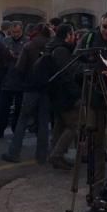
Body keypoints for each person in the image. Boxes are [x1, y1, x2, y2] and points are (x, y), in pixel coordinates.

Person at [3, 24, 52, 164]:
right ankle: (42, 155)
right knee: (43, 123)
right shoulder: (50, 45)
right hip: (46, 88)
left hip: (30, 88)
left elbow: (19, 68)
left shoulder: (29, 46)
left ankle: (14, 153)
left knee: (22, 121)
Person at [47, 24, 81, 170]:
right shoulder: (61, 50)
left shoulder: (53, 47)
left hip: (56, 94)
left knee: (60, 125)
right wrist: (75, 93)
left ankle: (55, 154)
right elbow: (67, 74)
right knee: (74, 125)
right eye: (72, 34)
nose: (74, 37)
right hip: (64, 94)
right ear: (68, 35)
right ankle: (57, 155)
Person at [0, 20, 25, 139]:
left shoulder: (26, 42)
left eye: (17, 32)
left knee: (18, 109)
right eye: (13, 32)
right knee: (1, 108)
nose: (15, 34)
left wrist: (14, 56)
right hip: (6, 79)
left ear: (21, 30)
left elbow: (25, 59)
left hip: (20, 81)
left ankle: (16, 130)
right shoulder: (6, 41)